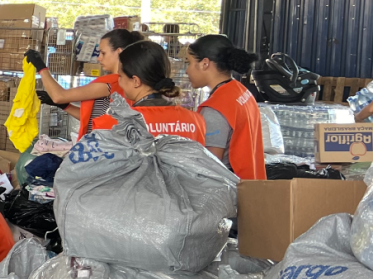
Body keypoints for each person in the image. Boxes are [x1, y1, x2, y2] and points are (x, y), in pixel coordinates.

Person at [27, 29, 144, 138]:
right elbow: (91, 118)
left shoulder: (111, 83)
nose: (99, 58)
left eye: (103, 53)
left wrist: (41, 67)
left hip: (101, 147)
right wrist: (64, 106)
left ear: (119, 52)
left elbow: (59, 96)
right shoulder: (127, 82)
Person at [92, 40, 206, 143]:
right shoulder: (196, 121)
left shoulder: (110, 125)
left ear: (136, 81)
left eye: (120, 76)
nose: (119, 81)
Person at [186, 35, 266, 180]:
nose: (187, 71)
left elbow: (211, 168)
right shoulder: (241, 91)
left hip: (232, 193)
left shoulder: (215, 108)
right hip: (253, 184)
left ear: (205, 63)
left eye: (189, 63)